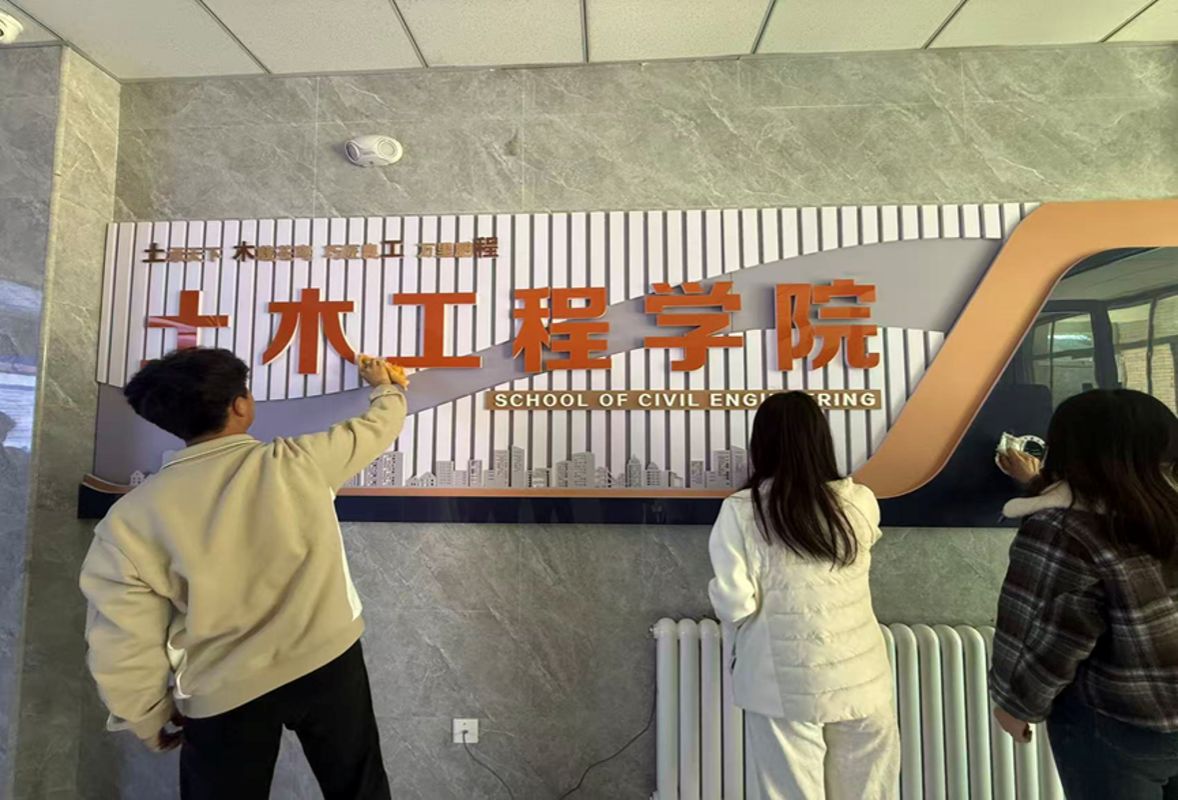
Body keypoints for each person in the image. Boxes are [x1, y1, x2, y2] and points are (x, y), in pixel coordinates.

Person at [80, 347, 409, 800]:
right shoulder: (298, 461)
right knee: (360, 789)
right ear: (240, 406)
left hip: (222, 686)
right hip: (327, 661)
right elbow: (377, 427)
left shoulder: (128, 520)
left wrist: (146, 714)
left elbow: (121, 637)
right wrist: (386, 388)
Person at [707, 391, 899, 800]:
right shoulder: (860, 502)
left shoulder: (743, 511)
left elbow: (735, 604)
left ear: (761, 443)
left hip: (784, 685)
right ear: (821, 440)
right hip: (863, 678)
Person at [990, 389, 1178, 800]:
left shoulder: (1063, 530)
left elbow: (1048, 630)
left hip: (1118, 721)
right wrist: (1036, 485)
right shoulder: (1164, 509)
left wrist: (1016, 704)